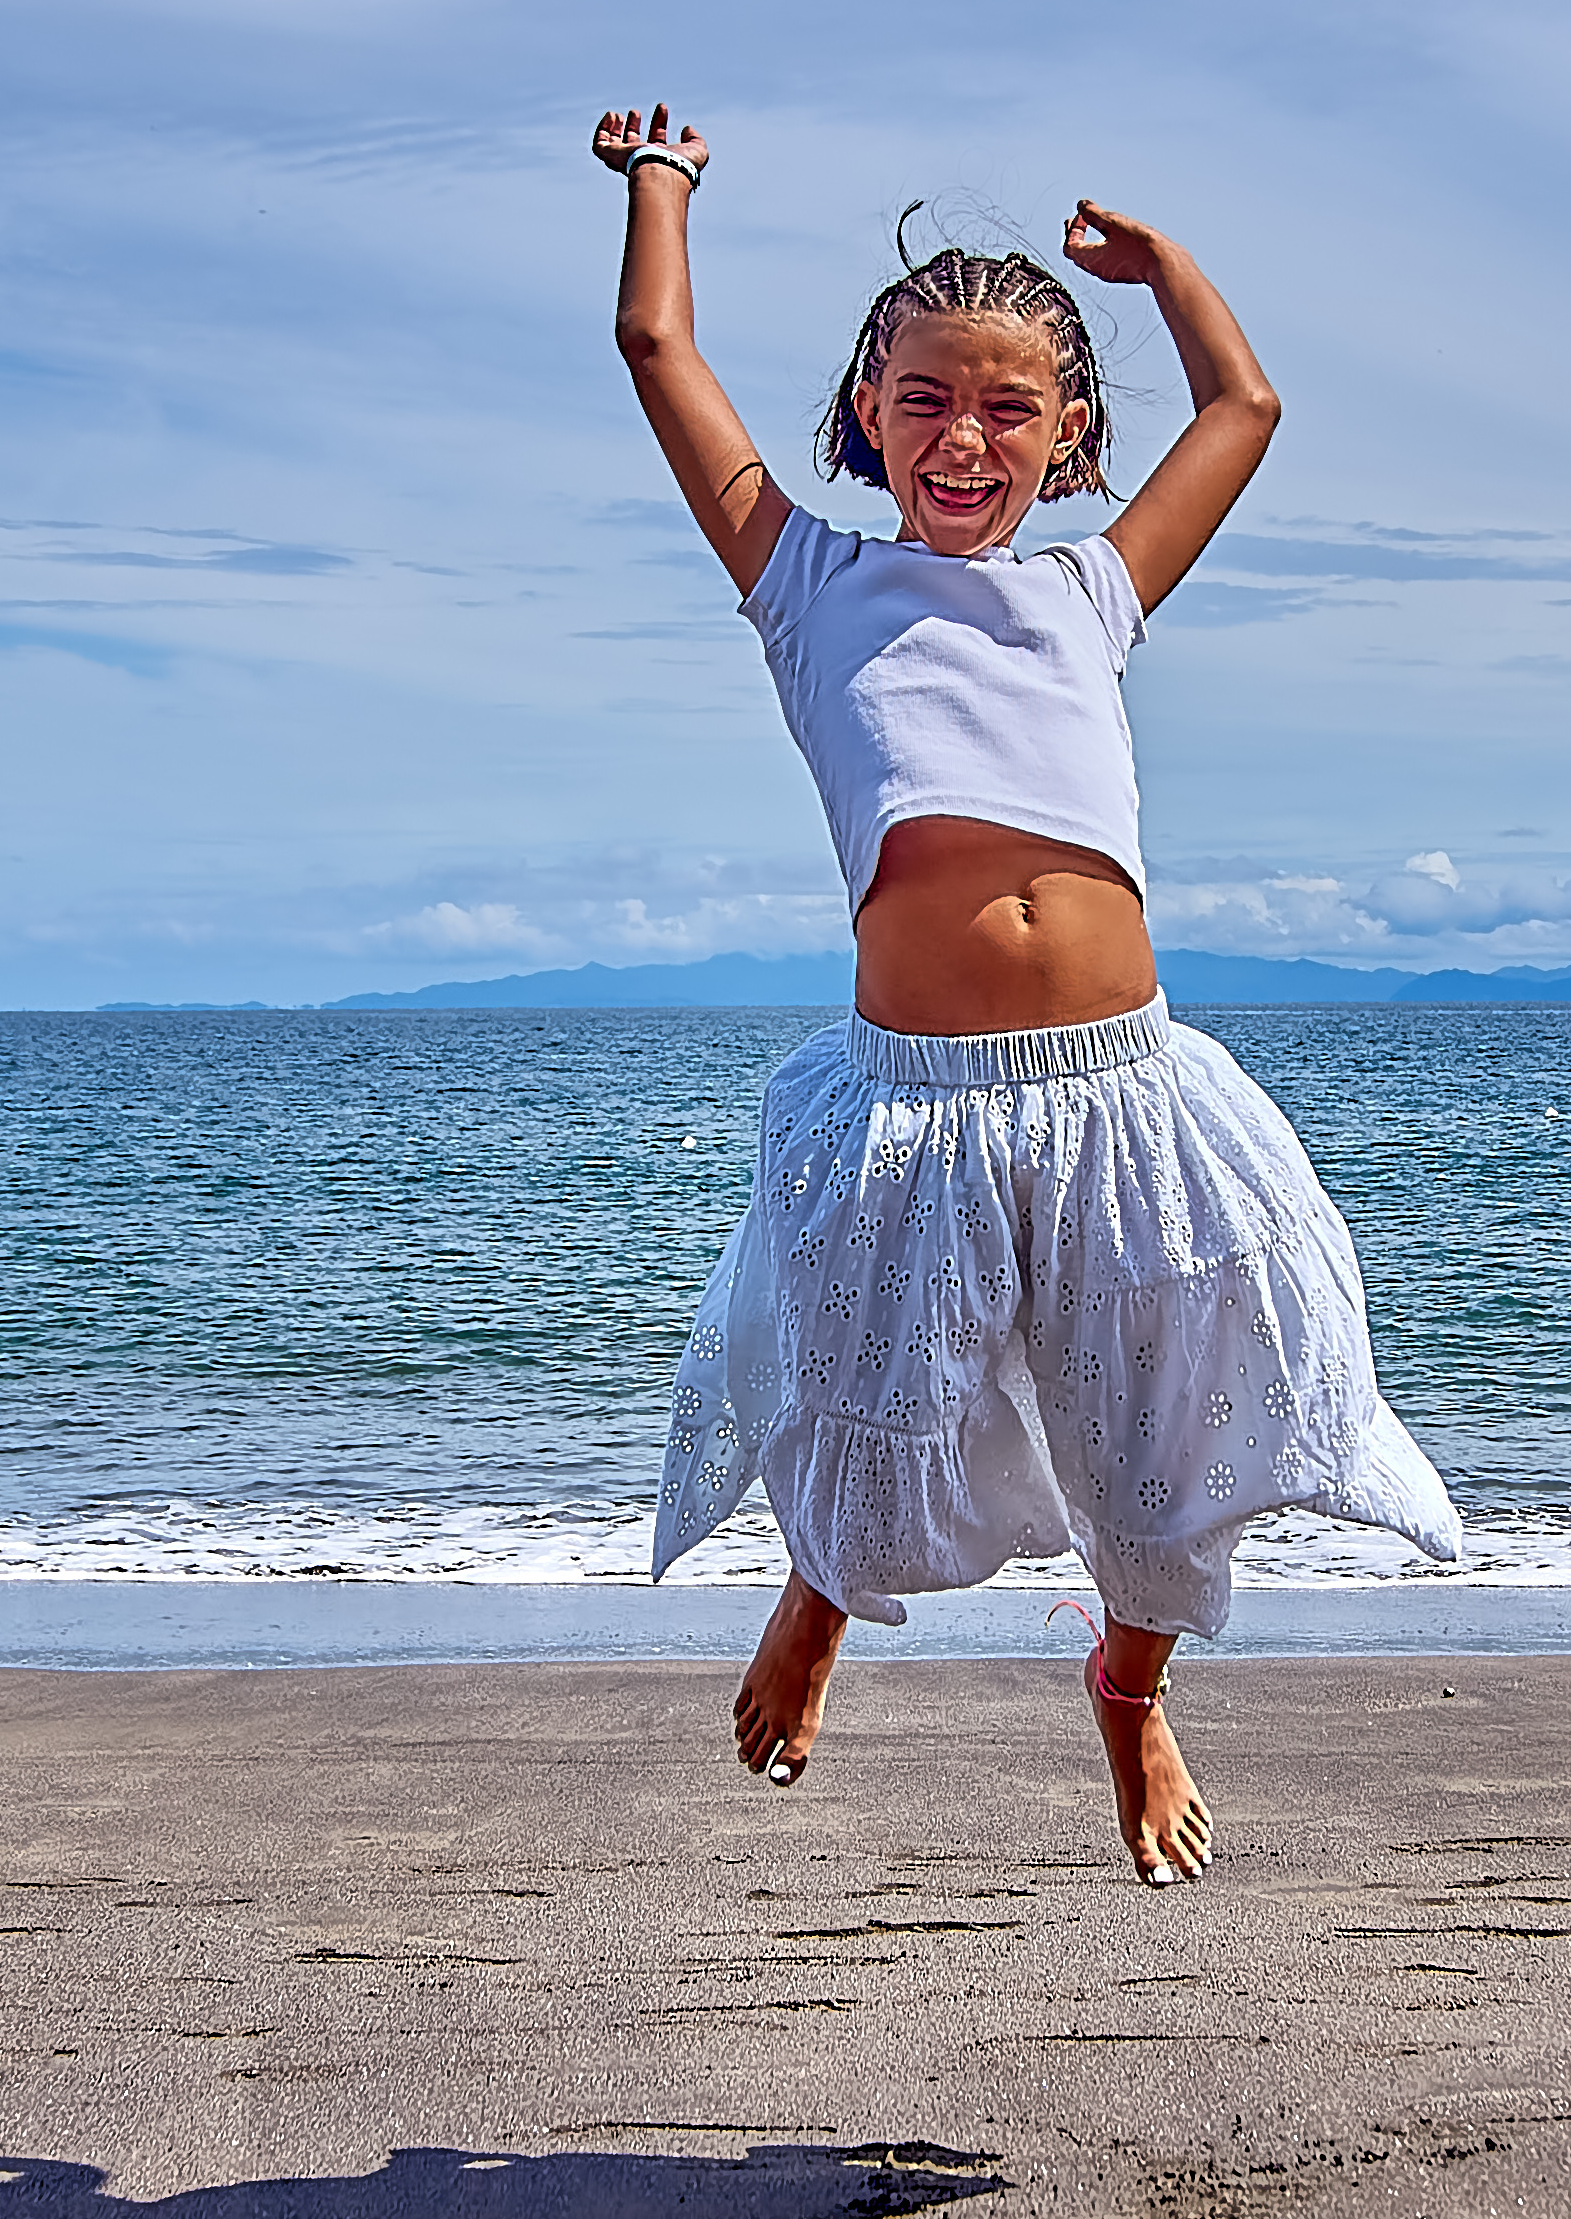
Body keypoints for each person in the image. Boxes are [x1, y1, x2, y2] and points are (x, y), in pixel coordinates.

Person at [597, 102, 1461, 1885]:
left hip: (1121, 1089)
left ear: (1068, 437)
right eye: (924, 399)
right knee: (863, 1391)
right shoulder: (804, 582)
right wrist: (661, 190)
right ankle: (817, 1599)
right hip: (909, 1095)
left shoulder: (1093, 590)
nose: (963, 434)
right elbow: (654, 345)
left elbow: (1246, 414)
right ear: (865, 420)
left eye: (1009, 405)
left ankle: (1131, 1686)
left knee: (1165, 1421)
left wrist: (1166, 277)